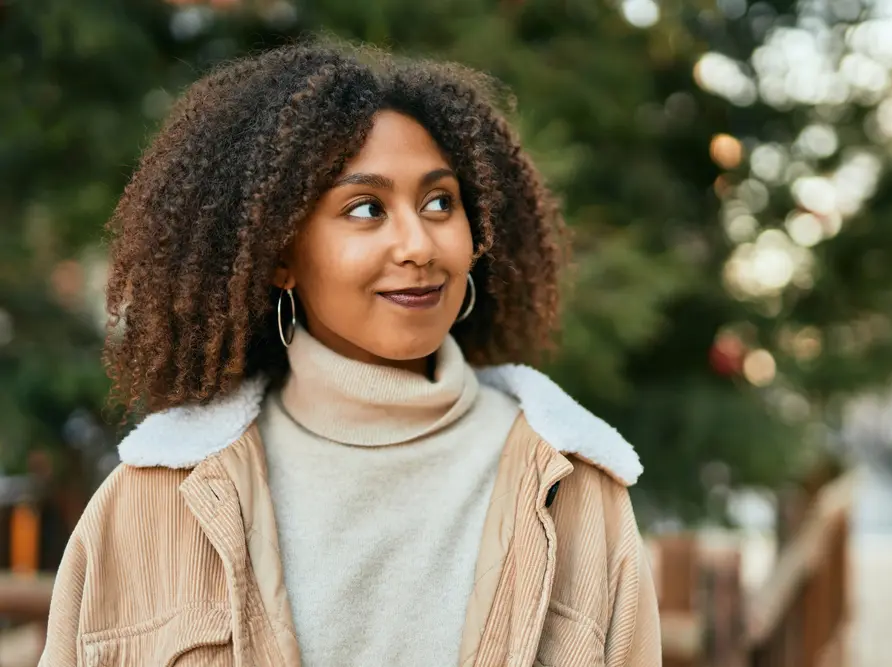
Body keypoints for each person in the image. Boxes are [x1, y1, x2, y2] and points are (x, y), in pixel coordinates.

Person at [40, 42, 660, 667]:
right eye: (366, 208)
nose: (418, 243)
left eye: (440, 202)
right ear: (279, 255)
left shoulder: (575, 490)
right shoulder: (151, 500)